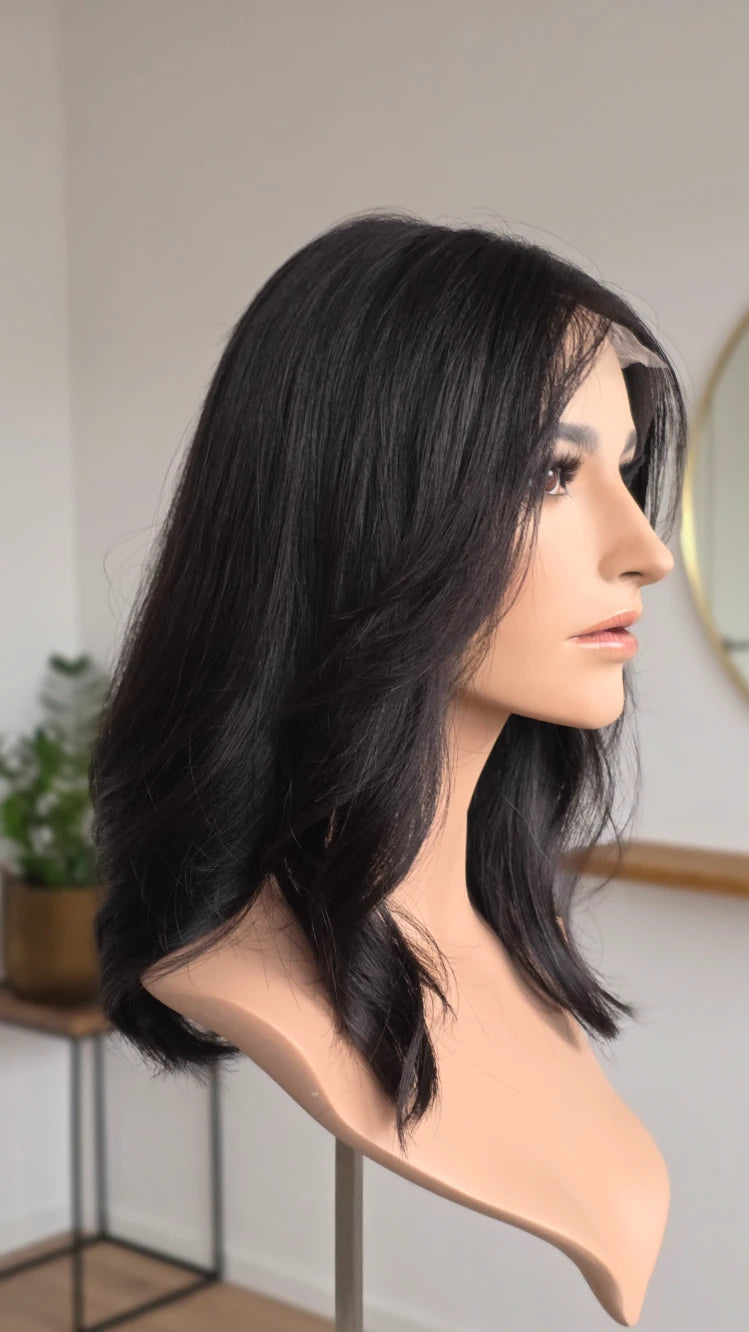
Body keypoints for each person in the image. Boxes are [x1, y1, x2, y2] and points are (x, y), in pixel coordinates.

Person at [89, 210, 688, 1326]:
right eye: (550, 473)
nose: (644, 550)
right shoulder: (249, 974)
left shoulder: (517, 941)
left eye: (626, 470)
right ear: (355, 508)